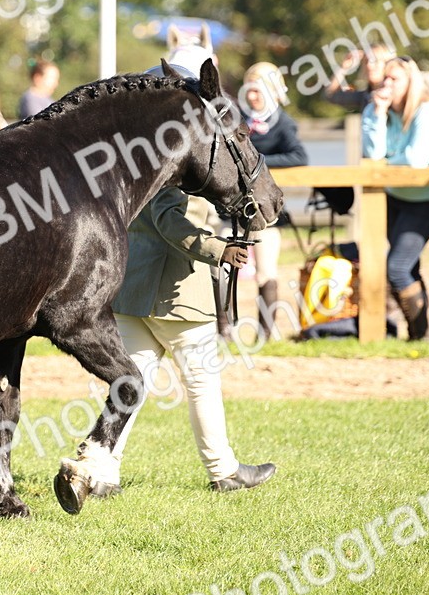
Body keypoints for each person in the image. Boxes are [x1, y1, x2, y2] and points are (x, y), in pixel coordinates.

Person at [79, 184, 276, 498]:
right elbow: (169, 218)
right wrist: (218, 249)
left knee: (129, 385)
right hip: (178, 295)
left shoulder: (140, 156)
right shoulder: (177, 166)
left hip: (133, 287)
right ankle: (223, 470)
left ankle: (103, 473)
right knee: (201, 383)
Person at [362, 56, 429, 340]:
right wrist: (377, 112)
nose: (387, 84)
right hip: (393, 198)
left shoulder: (426, 110)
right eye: (385, 78)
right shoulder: (376, 110)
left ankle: (421, 334)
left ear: (411, 81)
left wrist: (386, 165)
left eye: (394, 78)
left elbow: (416, 160)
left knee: (397, 267)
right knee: (408, 266)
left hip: (426, 198)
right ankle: (417, 335)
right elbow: (373, 155)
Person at [239, 62, 307, 339]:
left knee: (265, 271)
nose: (253, 96)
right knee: (219, 269)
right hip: (230, 210)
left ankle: (265, 334)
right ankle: (222, 331)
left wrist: (257, 164)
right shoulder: (236, 118)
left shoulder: (283, 123)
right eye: (250, 90)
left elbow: (299, 157)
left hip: (266, 211)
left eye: (259, 90)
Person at [325, 43, 393, 110]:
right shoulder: (364, 96)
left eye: (375, 61)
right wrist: (344, 68)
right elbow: (330, 95)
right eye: (366, 61)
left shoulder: (396, 95)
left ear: (388, 63)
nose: (369, 65)